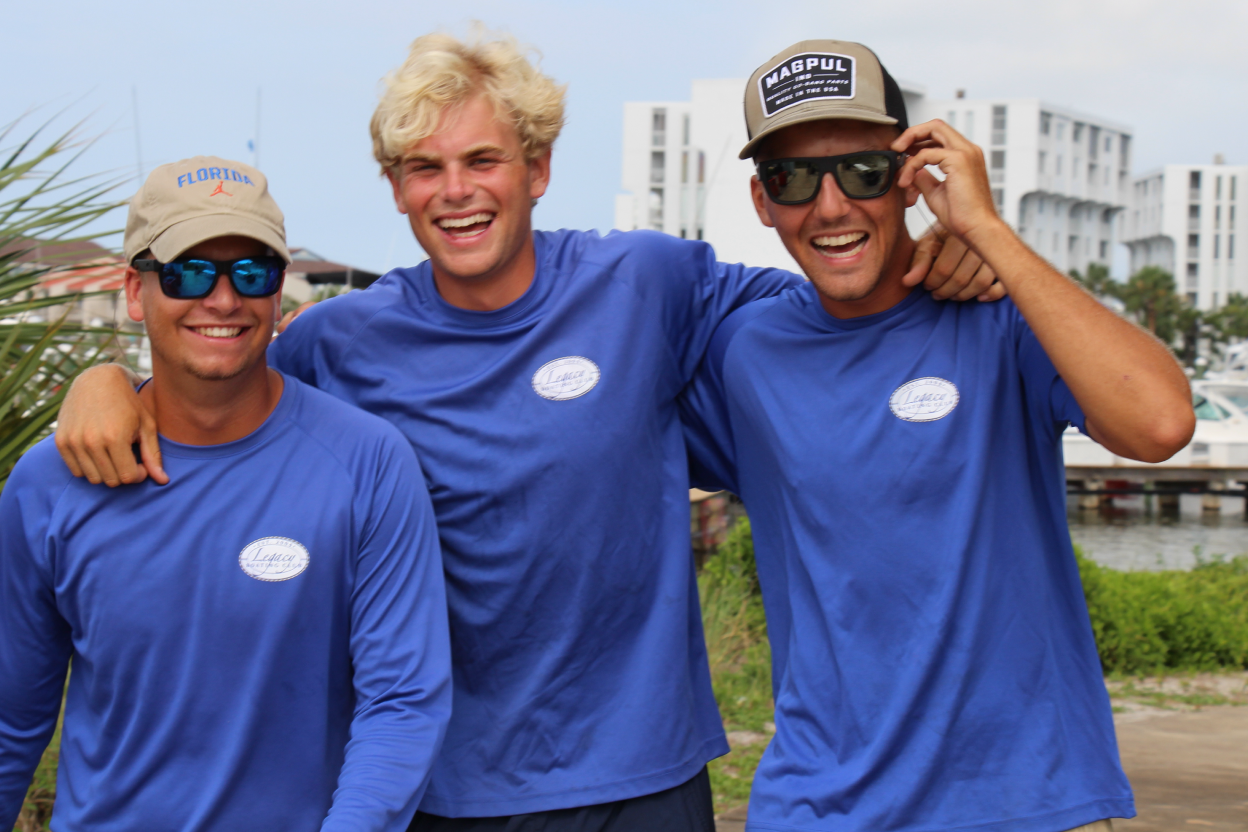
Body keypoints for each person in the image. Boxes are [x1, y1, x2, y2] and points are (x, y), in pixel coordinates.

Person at [53, 33, 1001, 831]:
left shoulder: (647, 283)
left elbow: (841, 307)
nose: (455, 191)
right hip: (439, 783)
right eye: (425, 168)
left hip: (643, 778)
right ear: (395, 189)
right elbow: (211, 391)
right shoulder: (342, 341)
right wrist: (106, 382)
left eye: (483, 160)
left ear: (539, 168)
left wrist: (944, 244)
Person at [679, 40, 1196, 832]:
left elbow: (1158, 425)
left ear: (908, 176)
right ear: (760, 200)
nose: (829, 207)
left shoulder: (999, 316)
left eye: (862, 170)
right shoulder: (743, 353)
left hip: (1027, 802)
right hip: (818, 805)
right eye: (792, 179)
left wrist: (987, 232)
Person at [0, 157, 452, 832]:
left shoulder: (369, 463)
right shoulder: (52, 481)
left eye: (252, 272)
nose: (224, 299)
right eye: (189, 272)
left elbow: (402, 703)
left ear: (279, 290)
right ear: (135, 290)